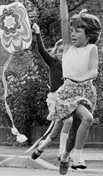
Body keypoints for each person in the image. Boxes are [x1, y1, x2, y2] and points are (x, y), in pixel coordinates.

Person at [52, 0, 101, 175]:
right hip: (68, 91)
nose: (72, 34)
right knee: (88, 119)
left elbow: (94, 71)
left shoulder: (92, 49)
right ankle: (78, 156)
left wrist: (82, 79)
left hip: (86, 92)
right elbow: (64, 20)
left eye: (78, 31)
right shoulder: (67, 47)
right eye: (72, 31)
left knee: (75, 129)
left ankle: (65, 156)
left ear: (88, 34)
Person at [30, 23, 73, 161]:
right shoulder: (53, 62)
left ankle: (40, 149)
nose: (62, 54)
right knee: (68, 121)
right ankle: (62, 153)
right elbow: (41, 50)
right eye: (59, 51)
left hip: (66, 99)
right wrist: (37, 33)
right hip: (55, 99)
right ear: (56, 52)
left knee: (55, 133)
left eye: (64, 51)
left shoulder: (71, 66)